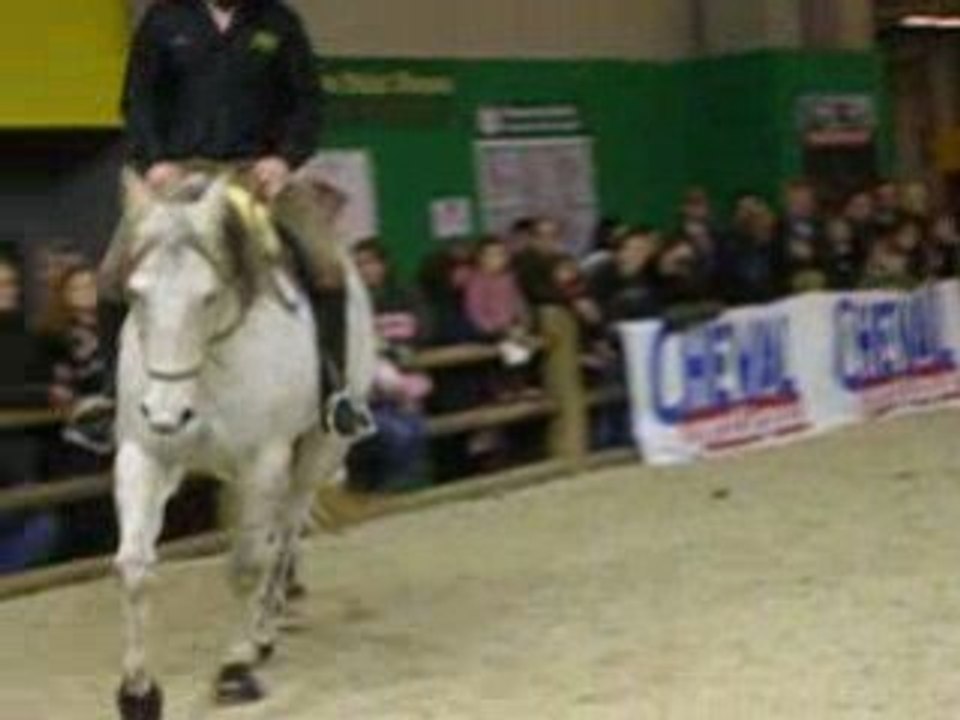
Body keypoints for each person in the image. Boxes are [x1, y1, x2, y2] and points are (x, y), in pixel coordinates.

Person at [71, 0, 369, 446]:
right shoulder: (164, 20)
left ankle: (335, 392)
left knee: (326, 265)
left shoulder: (278, 22)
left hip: (259, 175)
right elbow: (138, 101)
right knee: (113, 274)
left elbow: (307, 103)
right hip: (179, 173)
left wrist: (283, 160)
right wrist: (154, 164)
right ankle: (109, 398)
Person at [0, 254, 59, 573]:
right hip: (9, 461)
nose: (6, 290)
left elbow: (50, 379)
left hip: (28, 457)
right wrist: (39, 395)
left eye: (9, 283)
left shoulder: (30, 336)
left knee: (44, 528)